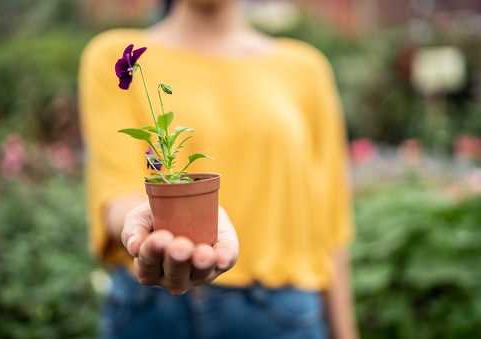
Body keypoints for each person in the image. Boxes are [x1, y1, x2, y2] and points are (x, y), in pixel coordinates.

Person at [79, 0, 358, 338]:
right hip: (151, 311)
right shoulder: (111, 53)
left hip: (279, 312)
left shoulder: (304, 68)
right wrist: (147, 229)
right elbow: (118, 187)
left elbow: (330, 220)